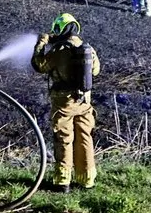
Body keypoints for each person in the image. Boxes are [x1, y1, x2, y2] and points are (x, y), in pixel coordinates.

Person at [31, 13, 100, 192]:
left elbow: (40, 65)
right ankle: (87, 180)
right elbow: (96, 70)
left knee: (64, 138)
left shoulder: (59, 51)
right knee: (85, 137)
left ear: (60, 29)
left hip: (64, 102)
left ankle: (63, 181)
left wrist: (41, 44)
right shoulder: (88, 49)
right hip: (84, 102)